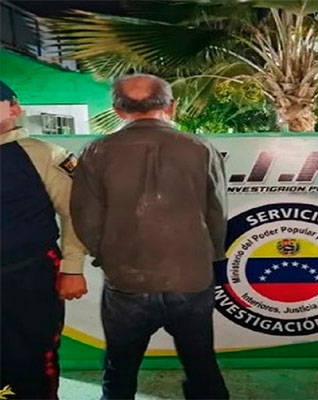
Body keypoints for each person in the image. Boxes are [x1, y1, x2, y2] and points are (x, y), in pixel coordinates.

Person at [70, 74, 229, 400]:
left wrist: (110, 256)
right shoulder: (200, 148)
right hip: (191, 277)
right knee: (201, 364)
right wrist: (208, 258)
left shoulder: (97, 151)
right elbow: (216, 214)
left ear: (117, 110)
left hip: (127, 279)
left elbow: (85, 219)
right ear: (172, 107)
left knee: (120, 367)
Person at [0, 81, 88, 399]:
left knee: (32, 355)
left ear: (14, 109)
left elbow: (75, 212)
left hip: (28, 274)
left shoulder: (44, 154)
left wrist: (72, 268)